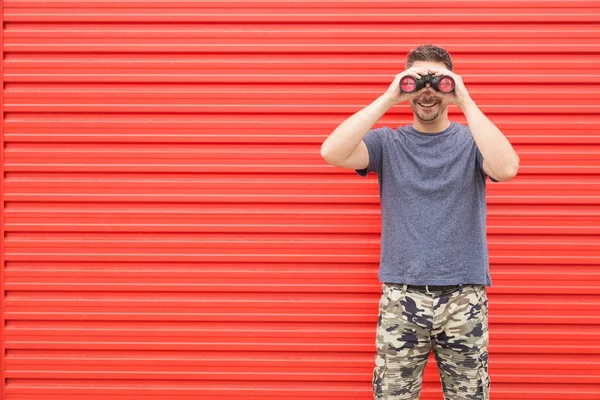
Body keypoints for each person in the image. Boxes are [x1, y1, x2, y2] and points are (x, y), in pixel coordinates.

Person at [320, 44, 520, 399]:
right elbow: (331, 152)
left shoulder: (473, 142)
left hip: (464, 295)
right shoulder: (387, 143)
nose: (428, 91)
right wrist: (388, 97)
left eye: (438, 82)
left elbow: (506, 169)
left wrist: (466, 101)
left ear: (451, 86)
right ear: (406, 86)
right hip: (401, 294)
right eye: (417, 81)